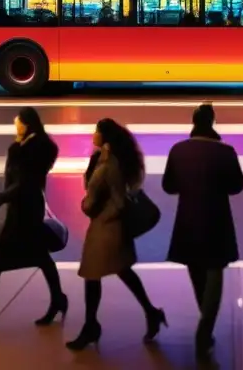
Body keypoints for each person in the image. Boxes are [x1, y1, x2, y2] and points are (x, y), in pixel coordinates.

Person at [0, 107, 66, 324]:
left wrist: (1, 197)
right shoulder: (26, 146)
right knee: (28, 255)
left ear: (26, 124)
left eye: (18, 122)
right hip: (21, 208)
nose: (15, 126)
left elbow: (26, 181)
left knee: (17, 254)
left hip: (26, 210)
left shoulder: (35, 148)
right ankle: (57, 299)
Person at [67, 119, 167, 351]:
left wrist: (86, 206)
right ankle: (150, 313)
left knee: (93, 275)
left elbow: (100, 200)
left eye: (97, 131)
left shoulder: (106, 166)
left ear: (105, 137)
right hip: (110, 227)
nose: (93, 135)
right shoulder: (108, 160)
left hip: (105, 228)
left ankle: (92, 326)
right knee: (119, 272)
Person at [162, 102, 243, 359]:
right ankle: (204, 329)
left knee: (196, 269)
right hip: (217, 219)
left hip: (187, 220)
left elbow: (169, 186)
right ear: (212, 122)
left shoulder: (178, 150)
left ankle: (205, 323)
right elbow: (237, 186)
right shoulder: (225, 151)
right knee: (215, 271)